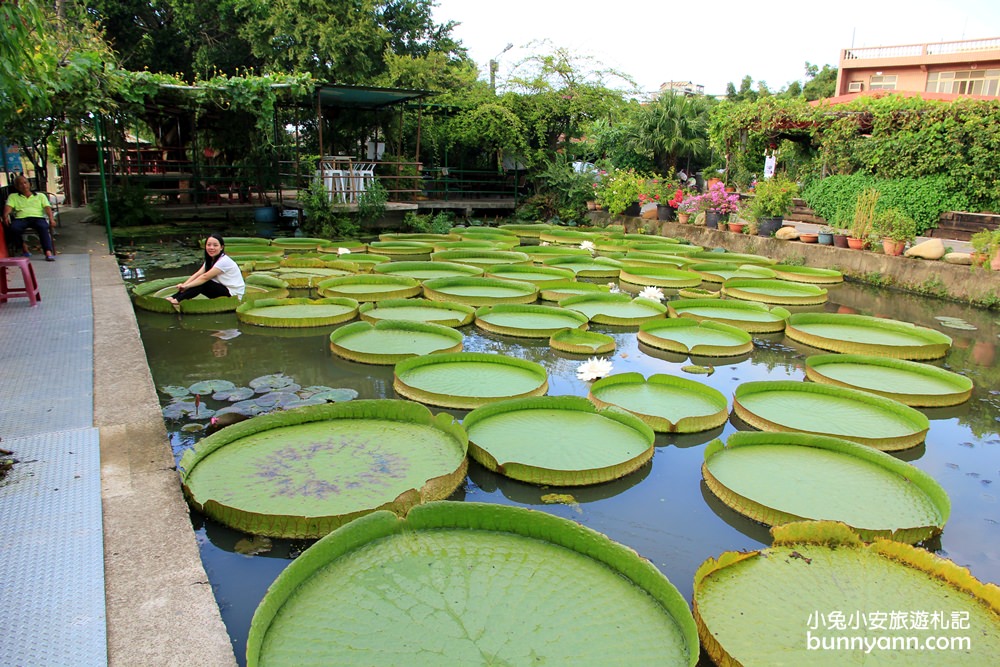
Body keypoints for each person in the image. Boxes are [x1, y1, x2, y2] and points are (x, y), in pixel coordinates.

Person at [167, 234, 245, 306]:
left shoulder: (224, 261)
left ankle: (178, 300)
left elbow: (205, 277)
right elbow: (198, 273)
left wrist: (187, 286)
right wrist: (184, 285)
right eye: (209, 245)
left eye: (215, 245)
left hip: (233, 296)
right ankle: (174, 297)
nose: (211, 248)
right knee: (198, 281)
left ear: (221, 247)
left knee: (204, 283)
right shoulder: (211, 259)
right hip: (222, 288)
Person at [2, 175, 57, 261]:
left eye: (25, 183)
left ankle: (48, 252)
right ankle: (23, 247)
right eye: (20, 184)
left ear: (30, 184)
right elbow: (8, 207)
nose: (24, 185)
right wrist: (5, 216)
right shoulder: (13, 196)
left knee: (43, 227)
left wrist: (51, 218)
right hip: (21, 218)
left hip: (37, 217)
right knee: (14, 228)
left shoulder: (40, 196)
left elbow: (47, 207)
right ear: (16, 187)